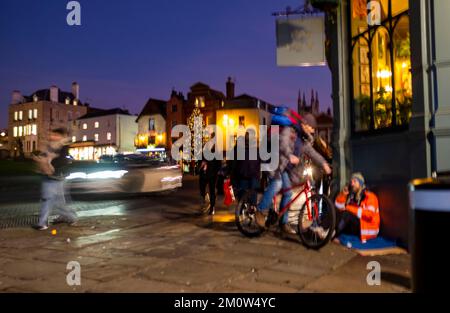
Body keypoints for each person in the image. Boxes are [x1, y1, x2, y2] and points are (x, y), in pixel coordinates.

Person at [255, 112, 331, 234]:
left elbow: (313, 153)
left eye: (313, 128)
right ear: (304, 124)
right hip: (274, 160)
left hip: (284, 167)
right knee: (278, 184)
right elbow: (282, 144)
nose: (312, 130)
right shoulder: (289, 130)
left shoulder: (304, 141)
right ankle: (261, 210)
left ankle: (283, 223)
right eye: (311, 127)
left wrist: (324, 163)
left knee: (288, 193)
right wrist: (289, 155)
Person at [32, 128, 77, 230]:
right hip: (48, 175)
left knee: (48, 199)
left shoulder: (62, 147)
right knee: (56, 201)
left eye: (55, 135)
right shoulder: (50, 146)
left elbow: (61, 161)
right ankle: (69, 217)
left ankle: (42, 223)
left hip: (55, 176)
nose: (52, 137)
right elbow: (44, 156)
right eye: (52, 134)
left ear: (61, 136)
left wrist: (49, 162)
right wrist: (40, 159)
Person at [334, 172, 381, 243]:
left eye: (354, 181)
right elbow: (338, 207)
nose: (352, 184)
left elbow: (369, 215)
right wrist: (343, 194)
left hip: (367, 229)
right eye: (351, 182)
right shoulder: (352, 196)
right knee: (338, 213)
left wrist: (349, 208)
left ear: (361, 184)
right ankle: (321, 228)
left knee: (347, 214)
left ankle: (333, 234)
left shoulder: (370, 196)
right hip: (357, 226)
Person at [230, 131, 261, 205]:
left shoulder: (240, 149)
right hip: (251, 175)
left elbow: (233, 163)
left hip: (244, 175)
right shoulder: (255, 150)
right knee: (250, 194)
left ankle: (244, 210)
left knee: (244, 194)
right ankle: (249, 209)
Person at [199, 132, 221, 215]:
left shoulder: (217, 150)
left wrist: (208, 163)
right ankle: (206, 199)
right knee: (201, 188)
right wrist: (202, 163)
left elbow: (218, 163)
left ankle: (212, 207)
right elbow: (200, 158)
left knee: (212, 190)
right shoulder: (205, 147)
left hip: (212, 174)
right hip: (204, 173)